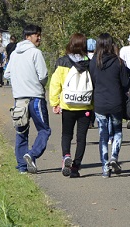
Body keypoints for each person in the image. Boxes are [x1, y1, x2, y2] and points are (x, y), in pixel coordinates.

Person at [4, 24, 51, 174]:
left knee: (21, 132)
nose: (39, 38)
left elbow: (7, 74)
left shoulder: (14, 53)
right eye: (37, 35)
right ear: (28, 37)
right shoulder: (35, 53)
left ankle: (22, 167)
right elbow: (43, 75)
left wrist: (19, 82)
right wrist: (37, 83)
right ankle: (31, 154)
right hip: (35, 98)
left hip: (19, 99)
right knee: (44, 130)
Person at [49, 33, 93, 178]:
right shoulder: (90, 63)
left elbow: (55, 83)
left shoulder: (62, 62)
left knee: (66, 134)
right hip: (85, 105)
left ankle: (66, 155)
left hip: (67, 104)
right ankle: (75, 167)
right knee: (82, 137)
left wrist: (55, 102)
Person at [89, 33, 129, 178]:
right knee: (117, 131)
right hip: (116, 102)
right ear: (111, 45)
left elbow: (92, 82)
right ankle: (114, 157)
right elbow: (125, 83)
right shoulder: (118, 62)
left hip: (100, 103)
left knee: (103, 135)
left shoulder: (94, 62)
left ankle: (105, 167)